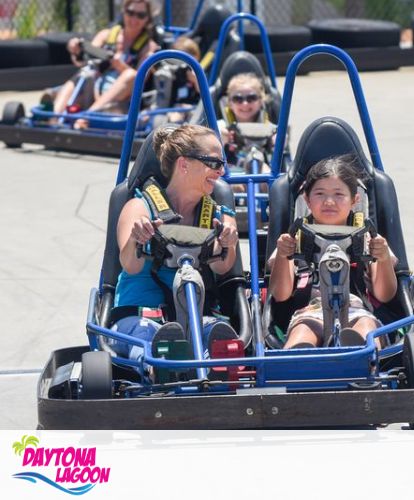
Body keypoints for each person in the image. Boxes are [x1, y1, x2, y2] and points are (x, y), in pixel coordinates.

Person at [110, 124, 240, 361]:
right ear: (184, 164)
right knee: (147, 334)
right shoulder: (139, 207)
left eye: (223, 164)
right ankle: (156, 366)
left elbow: (221, 268)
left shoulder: (219, 214)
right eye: (214, 163)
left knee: (216, 333)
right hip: (142, 315)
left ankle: (213, 370)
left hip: (194, 315)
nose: (221, 171)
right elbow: (131, 266)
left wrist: (229, 242)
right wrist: (135, 239)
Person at [267, 155, 398, 349]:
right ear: (307, 199)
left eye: (338, 194)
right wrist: (283, 255)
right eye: (320, 194)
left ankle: (363, 357)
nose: (329, 201)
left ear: (355, 200)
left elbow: (384, 295)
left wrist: (383, 257)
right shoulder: (294, 238)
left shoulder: (367, 237)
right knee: (303, 333)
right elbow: (281, 295)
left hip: (356, 309)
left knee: (367, 329)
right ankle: (298, 361)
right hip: (309, 310)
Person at [52, 0, 160, 126]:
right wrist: (77, 50)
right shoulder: (106, 36)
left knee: (130, 74)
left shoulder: (149, 47)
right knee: (85, 73)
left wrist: (118, 64)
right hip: (95, 89)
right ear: (123, 12)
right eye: (130, 13)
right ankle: (54, 117)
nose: (134, 19)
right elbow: (84, 61)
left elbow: (141, 79)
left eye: (140, 15)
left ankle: (86, 118)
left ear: (147, 19)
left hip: (121, 101)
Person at [217, 72, 276, 192]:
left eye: (251, 98)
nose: (245, 104)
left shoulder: (271, 128)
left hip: (259, 172)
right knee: (233, 185)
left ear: (261, 101)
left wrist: (278, 141)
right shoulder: (220, 126)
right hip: (229, 173)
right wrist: (220, 140)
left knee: (268, 179)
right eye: (238, 99)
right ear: (230, 103)